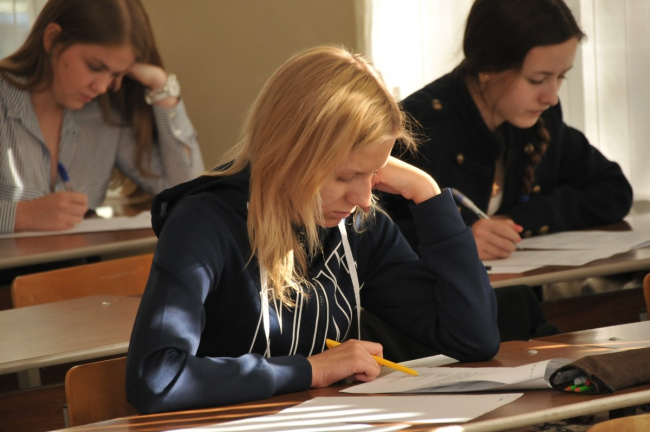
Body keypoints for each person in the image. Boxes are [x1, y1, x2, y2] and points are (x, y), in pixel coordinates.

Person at [125, 45, 499, 414]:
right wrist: (311, 370)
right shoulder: (203, 223)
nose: (363, 198)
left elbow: (473, 338)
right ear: (289, 154)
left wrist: (428, 195)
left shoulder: (359, 226)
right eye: (345, 176)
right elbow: (156, 377)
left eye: (374, 173)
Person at [385, 0, 633, 261]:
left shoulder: (540, 120)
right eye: (537, 79)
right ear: (487, 69)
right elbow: (365, 232)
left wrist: (516, 220)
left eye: (561, 77)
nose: (552, 97)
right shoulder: (416, 127)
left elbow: (614, 190)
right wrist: (452, 239)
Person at [0, 0, 204, 234]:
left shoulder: (105, 116)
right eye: (95, 67)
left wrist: (162, 87)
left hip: (81, 257)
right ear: (53, 39)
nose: (101, 87)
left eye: (116, 74)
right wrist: (21, 215)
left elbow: (188, 193)